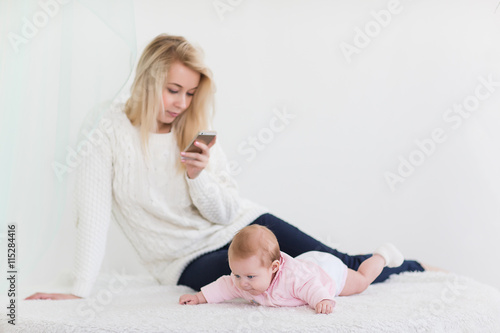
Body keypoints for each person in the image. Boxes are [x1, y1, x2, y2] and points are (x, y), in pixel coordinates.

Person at [26, 34, 424, 301]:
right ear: (148, 80)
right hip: (185, 260)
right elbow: (92, 215)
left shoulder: (196, 129)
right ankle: (402, 265)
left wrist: (197, 178)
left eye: (190, 93)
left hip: (242, 225)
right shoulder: (106, 130)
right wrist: (79, 289)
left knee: (339, 265)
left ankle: (413, 266)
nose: (181, 103)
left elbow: (225, 212)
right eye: (173, 90)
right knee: (291, 280)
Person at [179, 225, 404, 314]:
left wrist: (322, 300)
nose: (242, 283)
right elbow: (224, 286)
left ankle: (382, 255)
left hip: (324, 271)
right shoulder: (243, 281)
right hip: (306, 261)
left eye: (249, 276)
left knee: (362, 282)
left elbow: (311, 286)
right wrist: (199, 297)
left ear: (274, 268)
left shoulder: (293, 279)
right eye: (237, 274)